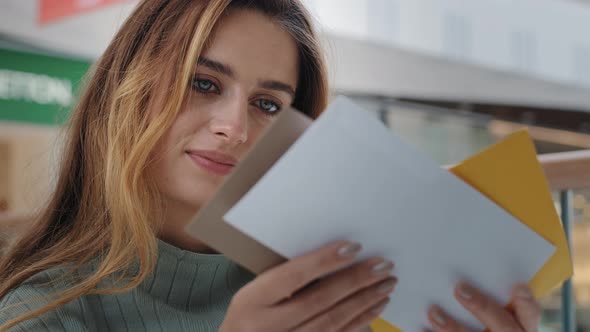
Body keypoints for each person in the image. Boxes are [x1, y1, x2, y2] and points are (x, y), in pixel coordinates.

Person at [0, 0, 541, 331]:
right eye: (203, 83)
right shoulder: (40, 312)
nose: (234, 128)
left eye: (267, 105)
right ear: (125, 88)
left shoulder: (344, 280)